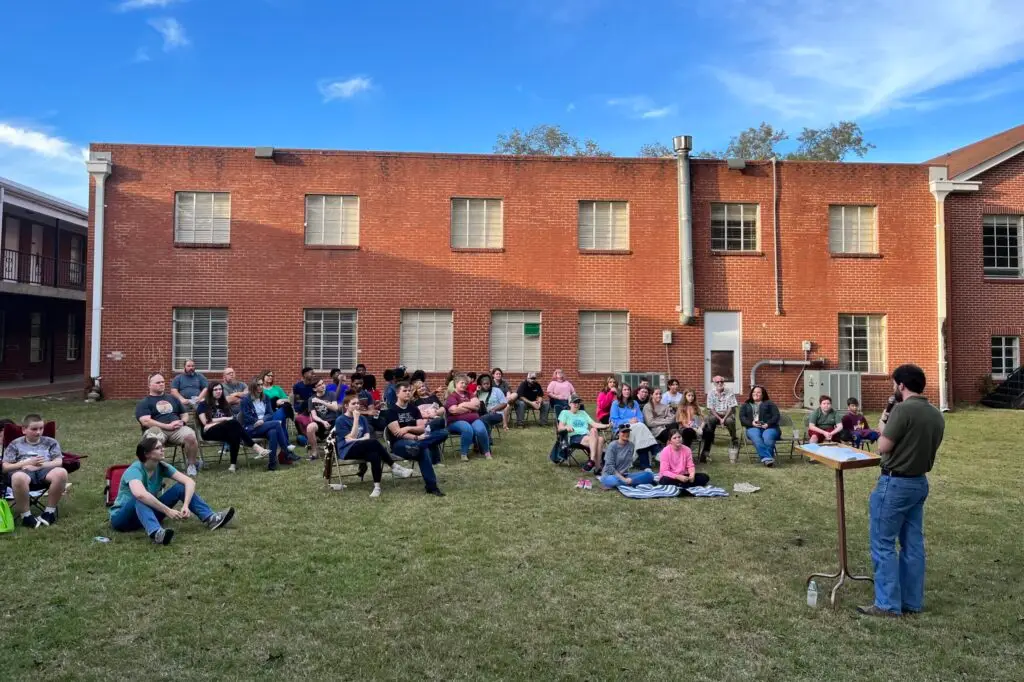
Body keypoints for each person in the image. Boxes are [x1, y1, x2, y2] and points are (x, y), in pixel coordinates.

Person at [859, 364, 944, 618]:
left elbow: (883, 446)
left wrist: (887, 419)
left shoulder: (903, 410)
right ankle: (911, 602)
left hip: (895, 484)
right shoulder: (935, 413)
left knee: (883, 543)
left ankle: (886, 604)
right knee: (913, 544)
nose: (893, 388)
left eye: (894, 384)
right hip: (919, 482)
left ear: (902, 385)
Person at [109, 437, 234, 545]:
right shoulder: (134, 470)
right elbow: (140, 494)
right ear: (147, 454)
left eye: (162, 446)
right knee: (141, 499)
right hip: (123, 519)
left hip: (147, 514)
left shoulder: (161, 466)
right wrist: (167, 511)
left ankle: (210, 518)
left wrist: (185, 505)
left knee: (180, 487)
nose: (163, 449)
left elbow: (189, 482)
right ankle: (156, 534)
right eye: (158, 448)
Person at [332, 394, 413, 498]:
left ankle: (377, 487)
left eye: (358, 403)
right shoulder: (341, 420)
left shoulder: (363, 419)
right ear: (346, 406)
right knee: (373, 442)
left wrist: (357, 439)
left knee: (375, 455)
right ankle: (394, 466)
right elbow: (349, 439)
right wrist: (355, 420)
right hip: (347, 450)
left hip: (362, 446)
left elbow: (366, 436)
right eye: (353, 403)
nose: (357, 405)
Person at [2, 413, 67, 527]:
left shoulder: (50, 442)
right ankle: (26, 516)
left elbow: (59, 461)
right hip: (23, 471)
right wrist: (26, 463)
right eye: (34, 429)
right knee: (18, 477)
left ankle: (49, 513)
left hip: (45, 469)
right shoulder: (15, 444)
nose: (38, 432)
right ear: (24, 430)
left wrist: (40, 466)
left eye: (41, 428)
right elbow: (5, 467)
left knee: (61, 472)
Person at [384, 381, 447, 495]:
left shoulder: (413, 409)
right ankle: (432, 487)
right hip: (399, 444)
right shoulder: (391, 411)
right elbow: (398, 433)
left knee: (443, 433)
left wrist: (407, 428)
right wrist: (416, 438)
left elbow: (422, 428)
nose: (408, 393)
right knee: (423, 449)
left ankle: (418, 447)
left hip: (416, 442)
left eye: (409, 391)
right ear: (397, 394)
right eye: (405, 391)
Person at [135, 372, 201, 477]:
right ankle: (152, 468)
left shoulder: (173, 398)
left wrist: (182, 422)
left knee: (191, 436)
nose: (161, 384)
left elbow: (184, 414)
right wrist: (167, 426)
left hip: (177, 429)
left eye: (162, 382)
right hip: (157, 429)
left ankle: (191, 465)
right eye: (158, 382)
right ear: (149, 385)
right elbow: (146, 421)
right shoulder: (145, 402)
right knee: (153, 439)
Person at [196, 383, 270, 472]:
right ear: (210, 391)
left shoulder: (224, 403)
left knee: (234, 433)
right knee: (234, 426)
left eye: (220, 389)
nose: (218, 391)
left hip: (222, 430)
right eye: (215, 389)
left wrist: (217, 422)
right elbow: (205, 422)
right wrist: (223, 419)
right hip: (209, 432)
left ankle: (232, 466)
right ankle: (257, 448)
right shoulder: (203, 404)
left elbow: (230, 419)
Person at [239, 378, 297, 470]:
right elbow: (246, 416)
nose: (260, 387)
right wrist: (256, 421)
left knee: (273, 432)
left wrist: (262, 420)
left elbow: (270, 413)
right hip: (251, 428)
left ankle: (272, 464)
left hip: (264, 425)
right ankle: (286, 451)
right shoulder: (245, 400)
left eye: (261, 384)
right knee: (277, 424)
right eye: (258, 385)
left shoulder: (265, 397)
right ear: (253, 386)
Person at [609, 384, 659, 468]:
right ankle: (655, 451)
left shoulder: (634, 403)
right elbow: (614, 421)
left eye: (628, 389)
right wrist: (628, 421)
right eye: (625, 390)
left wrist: (635, 421)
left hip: (636, 428)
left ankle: (645, 465)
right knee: (640, 428)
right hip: (621, 429)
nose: (627, 391)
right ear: (620, 391)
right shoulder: (615, 404)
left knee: (640, 431)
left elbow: (640, 418)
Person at [445, 375, 492, 461]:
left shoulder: (469, 393)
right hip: (455, 422)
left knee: (481, 429)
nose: (464, 385)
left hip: (473, 419)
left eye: (466, 383)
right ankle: (464, 454)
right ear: (456, 383)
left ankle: (487, 452)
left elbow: (477, 405)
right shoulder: (452, 396)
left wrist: (462, 405)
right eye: (462, 383)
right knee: (467, 428)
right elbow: (454, 410)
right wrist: (470, 408)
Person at [557, 394, 610, 471]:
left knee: (597, 434)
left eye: (578, 403)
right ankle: (596, 466)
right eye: (574, 402)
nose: (577, 404)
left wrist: (607, 425)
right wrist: (566, 427)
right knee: (599, 438)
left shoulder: (583, 413)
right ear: (569, 404)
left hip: (587, 437)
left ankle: (593, 464)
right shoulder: (565, 413)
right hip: (574, 437)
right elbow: (560, 428)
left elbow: (594, 424)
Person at [599, 424, 656, 490]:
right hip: (610, 475)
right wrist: (623, 479)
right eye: (623, 432)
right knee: (614, 480)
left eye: (628, 432)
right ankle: (630, 482)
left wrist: (626, 479)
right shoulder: (612, 445)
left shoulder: (631, 445)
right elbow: (609, 466)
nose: (626, 434)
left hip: (625, 475)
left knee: (649, 475)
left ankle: (628, 482)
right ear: (618, 434)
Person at [739, 385, 781, 467]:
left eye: (758, 392)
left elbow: (776, 416)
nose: (756, 394)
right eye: (754, 392)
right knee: (756, 437)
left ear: (763, 394)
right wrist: (752, 423)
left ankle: (766, 459)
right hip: (752, 427)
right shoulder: (746, 405)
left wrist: (767, 424)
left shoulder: (769, 403)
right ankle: (768, 458)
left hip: (770, 427)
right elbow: (742, 418)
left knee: (768, 437)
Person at [704, 375, 739, 457]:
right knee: (710, 419)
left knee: (730, 421)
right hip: (715, 413)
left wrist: (724, 418)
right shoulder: (711, 393)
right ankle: (711, 438)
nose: (720, 383)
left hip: (727, 413)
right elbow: (711, 408)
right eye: (717, 382)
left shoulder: (730, 391)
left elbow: (731, 407)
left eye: (721, 381)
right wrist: (720, 418)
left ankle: (734, 439)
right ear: (714, 383)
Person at [305, 378, 339, 460]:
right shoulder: (311, 399)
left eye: (323, 383)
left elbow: (335, 408)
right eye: (319, 385)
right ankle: (314, 452)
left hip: (333, 421)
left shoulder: (331, 394)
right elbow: (314, 416)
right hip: (320, 422)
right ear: (314, 389)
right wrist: (323, 422)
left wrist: (321, 401)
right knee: (310, 427)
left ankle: (338, 450)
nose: (323, 386)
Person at [677, 388, 707, 460]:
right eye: (689, 395)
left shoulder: (696, 407)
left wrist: (700, 428)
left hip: (697, 427)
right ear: (685, 396)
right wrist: (693, 428)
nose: (691, 397)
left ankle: (704, 454)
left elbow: (703, 420)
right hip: (685, 428)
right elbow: (683, 422)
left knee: (709, 432)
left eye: (692, 396)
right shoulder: (681, 407)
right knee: (688, 431)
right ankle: (686, 455)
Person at [292, 367, 319, 445]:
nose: (313, 375)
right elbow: (297, 401)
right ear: (305, 374)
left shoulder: (314, 385)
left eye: (314, 374)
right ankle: (306, 437)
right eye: (311, 373)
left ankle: (312, 437)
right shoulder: (297, 386)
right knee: (306, 403)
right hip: (302, 408)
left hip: (314, 408)